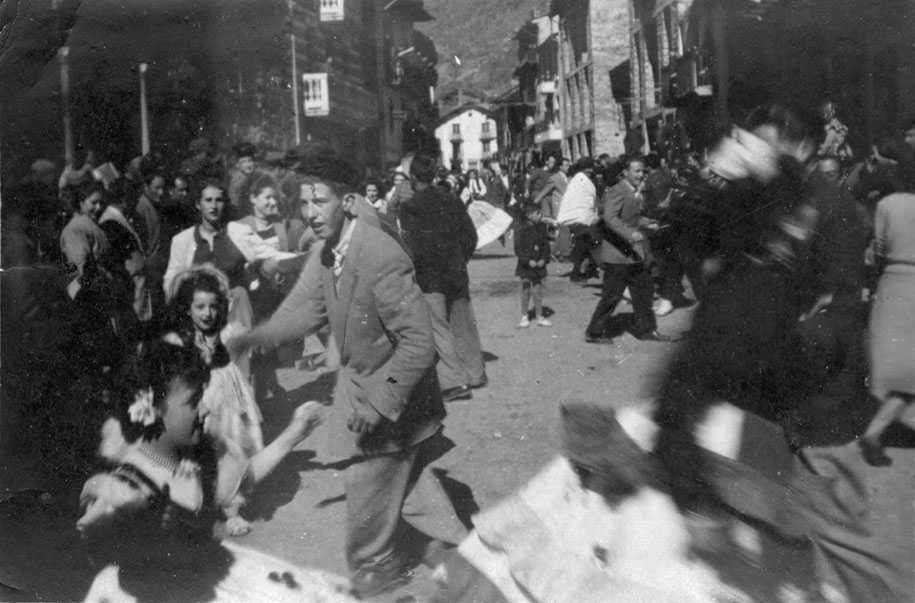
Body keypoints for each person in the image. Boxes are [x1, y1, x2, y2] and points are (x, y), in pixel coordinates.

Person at [229, 152, 468, 597]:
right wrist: (251, 338)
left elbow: (419, 344)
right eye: (304, 203)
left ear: (350, 201)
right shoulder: (326, 253)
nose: (310, 213)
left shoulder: (378, 255)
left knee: (366, 536)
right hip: (370, 398)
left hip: (396, 406)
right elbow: (304, 310)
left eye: (320, 202)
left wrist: (379, 406)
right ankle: (465, 567)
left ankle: (384, 580)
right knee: (411, 497)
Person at [76, 326, 324, 602]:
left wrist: (293, 434)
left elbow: (247, 476)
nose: (206, 409)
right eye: (194, 401)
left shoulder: (201, 454)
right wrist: (108, 514)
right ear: (154, 409)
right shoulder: (127, 481)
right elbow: (100, 546)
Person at [163, 266, 268, 535]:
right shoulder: (179, 339)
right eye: (200, 307)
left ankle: (233, 508)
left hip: (226, 396)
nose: (207, 314)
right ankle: (191, 504)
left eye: (212, 306)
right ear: (188, 308)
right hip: (195, 396)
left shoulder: (226, 331)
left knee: (231, 448)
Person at [400, 155, 479, 402]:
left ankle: (454, 382)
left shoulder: (410, 207)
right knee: (463, 323)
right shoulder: (452, 199)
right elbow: (471, 236)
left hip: (429, 276)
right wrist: (460, 259)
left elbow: (412, 246)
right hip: (456, 271)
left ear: (412, 178)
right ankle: (475, 374)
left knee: (439, 327)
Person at [858, 164, 915, 465]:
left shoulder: (887, 205)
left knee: (888, 359)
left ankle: (876, 425)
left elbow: (878, 251)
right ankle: (875, 431)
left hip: (891, 282)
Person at [585, 155, 670, 344]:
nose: (641, 175)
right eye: (637, 171)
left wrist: (647, 223)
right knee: (612, 295)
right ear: (625, 172)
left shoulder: (635, 191)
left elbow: (631, 218)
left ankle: (647, 330)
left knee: (644, 292)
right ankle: (594, 332)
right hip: (618, 254)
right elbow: (610, 218)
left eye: (643, 171)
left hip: (634, 255)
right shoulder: (617, 190)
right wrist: (631, 234)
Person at [60, 180, 110, 299]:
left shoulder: (90, 223)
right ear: (81, 202)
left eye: (100, 202)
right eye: (93, 202)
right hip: (88, 293)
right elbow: (82, 268)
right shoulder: (75, 228)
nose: (98, 207)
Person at [556, 157, 599, 282]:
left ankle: (587, 270)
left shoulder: (582, 180)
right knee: (582, 247)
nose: (591, 170)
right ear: (583, 168)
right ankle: (576, 274)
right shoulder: (579, 180)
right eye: (589, 168)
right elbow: (575, 201)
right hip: (580, 219)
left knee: (586, 246)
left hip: (585, 218)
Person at [514, 203, 552, 328]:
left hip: (538, 263)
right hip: (526, 265)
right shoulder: (521, 228)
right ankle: (524, 316)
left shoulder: (541, 227)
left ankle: (539, 316)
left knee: (537, 290)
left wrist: (543, 259)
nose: (540, 215)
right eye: (537, 213)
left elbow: (546, 246)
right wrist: (527, 261)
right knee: (525, 289)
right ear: (529, 215)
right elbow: (518, 249)